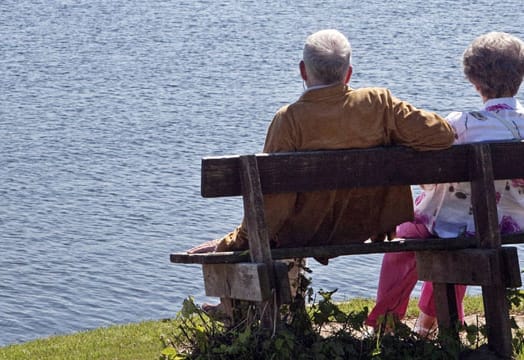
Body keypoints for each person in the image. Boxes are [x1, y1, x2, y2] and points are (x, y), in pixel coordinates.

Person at [188, 29, 454, 259]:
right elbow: (441, 134)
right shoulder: (378, 104)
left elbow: (272, 207)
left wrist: (231, 242)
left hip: (305, 233)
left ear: (302, 71)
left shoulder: (289, 120)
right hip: (362, 226)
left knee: (269, 234)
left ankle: (246, 311)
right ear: (348, 74)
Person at [366, 31, 524, 337]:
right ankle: (428, 323)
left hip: (454, 224)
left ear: (474, 81)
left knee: (409, 235)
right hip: (512, 222)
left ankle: (385, 323)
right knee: (468, 228)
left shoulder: (461, 124)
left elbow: (428, 180)